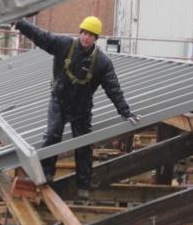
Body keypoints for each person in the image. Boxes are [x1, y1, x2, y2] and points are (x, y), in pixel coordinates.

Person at [13, 16, 140, 198]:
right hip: (59, 100)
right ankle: (47, 173)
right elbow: (41, 37)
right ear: (80, 33)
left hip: (82, 108)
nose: (86, 38)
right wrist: (21, 24)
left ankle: (83, 185)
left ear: (96, 39)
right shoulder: (64, 45)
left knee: (83, 145)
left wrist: (125, 112)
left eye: (91, 35)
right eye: (84, 33)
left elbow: (113, 88)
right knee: (52, 135)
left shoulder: (102, 63)